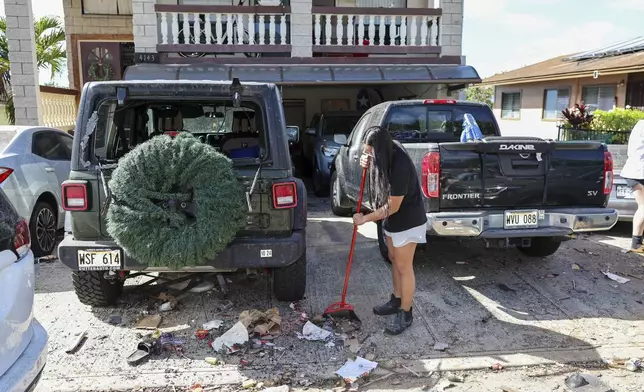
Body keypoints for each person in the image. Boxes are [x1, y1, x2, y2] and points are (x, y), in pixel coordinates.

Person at [352, 126, 427, 335]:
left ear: (381, 149)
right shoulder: (384, 154)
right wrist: (365, 161)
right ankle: (396, 300)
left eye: (371, 152)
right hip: (392, 221)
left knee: (404, 266)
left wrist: (365, 218)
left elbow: (392, 206)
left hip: (408, 220)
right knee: (393, 258)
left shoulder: (400, 163)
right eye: (367, 152)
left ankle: (406, 312)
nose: (369, 155)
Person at [620, 120, 644, 252]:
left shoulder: (640, 124)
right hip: (639, 172)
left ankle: (638, 243)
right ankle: (636, 244)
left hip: (634, 169)